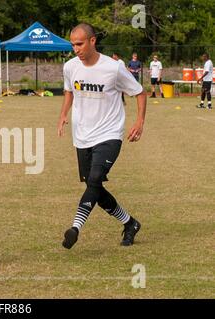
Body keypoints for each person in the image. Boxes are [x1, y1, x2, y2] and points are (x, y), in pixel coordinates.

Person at [57, 23, 147, 249]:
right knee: (93, 187)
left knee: (95, 180)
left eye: (79, 43)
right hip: (82, 136)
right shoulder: (69, 67)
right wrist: (63, 114)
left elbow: (139, 92)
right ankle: (130, 223)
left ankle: (75, 228)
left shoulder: (113, 68)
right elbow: (69, 91)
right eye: (72, 44)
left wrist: (139, 122)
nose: (75, 49)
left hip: (109, 134)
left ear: (92, 41)